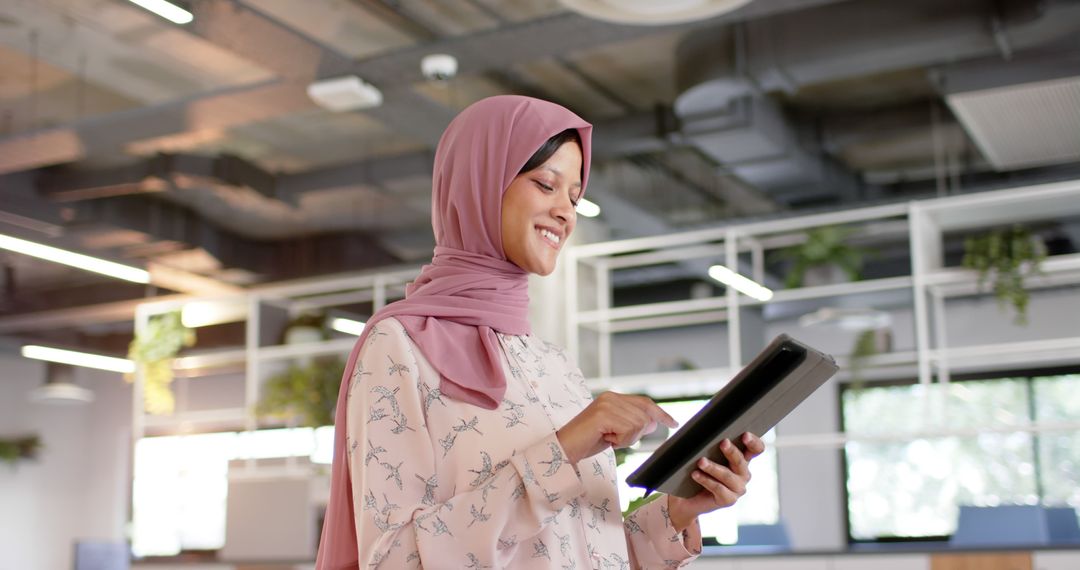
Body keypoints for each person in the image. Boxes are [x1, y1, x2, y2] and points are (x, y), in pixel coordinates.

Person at [315, 95, 765, 570]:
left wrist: (678, 511)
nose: (566, 213)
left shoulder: (552, 364)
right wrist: (564, 448)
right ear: (481, 186)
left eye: (574, 196)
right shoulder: (399, 346)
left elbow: (583, 548)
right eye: (546, 185)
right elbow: (392, 560)